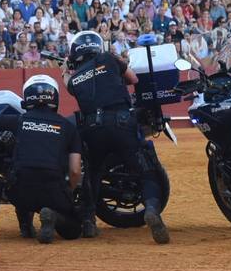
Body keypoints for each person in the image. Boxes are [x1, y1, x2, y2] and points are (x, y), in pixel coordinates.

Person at [64, 30, 169, 243]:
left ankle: (88, 222)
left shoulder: (75, 78)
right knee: (145, 168)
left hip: (93, 128)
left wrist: (65, 72)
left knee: (92, 173)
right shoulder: (109, 58)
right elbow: (133, 78)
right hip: (122, 123)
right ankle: (151, 209)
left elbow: (70, 87)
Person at [0, 75, 84, 244]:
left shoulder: (18, 120)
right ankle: (53, 216)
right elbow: (75, 170)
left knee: (20, 178)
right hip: (52, 188)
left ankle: (26, 226)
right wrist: (67, 189)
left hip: (21, 191)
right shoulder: (68, 127)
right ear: (54, 97)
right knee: (73, 229)